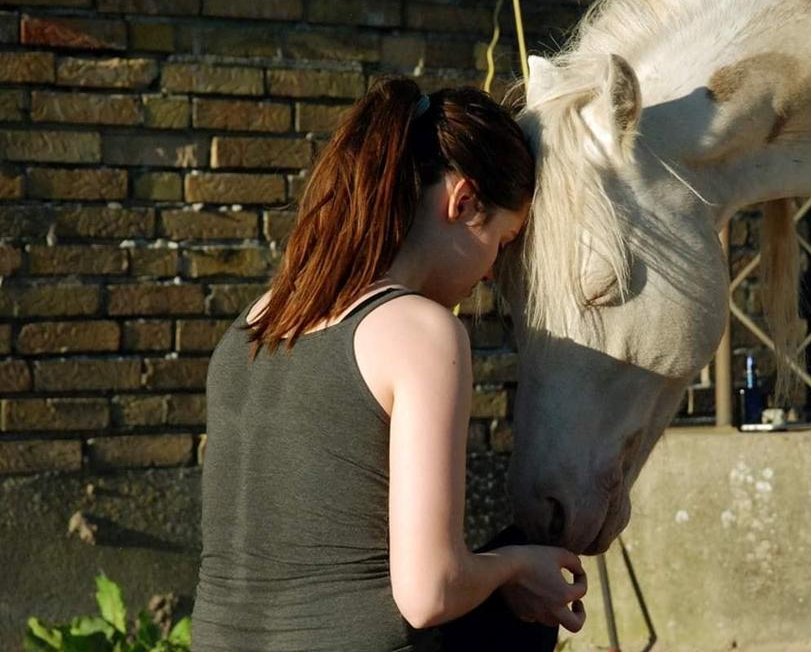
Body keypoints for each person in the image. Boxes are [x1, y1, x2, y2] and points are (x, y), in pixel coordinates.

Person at [192, 76, 587, 651]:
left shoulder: (253, 322)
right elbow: (430, 593)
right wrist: (516, 566)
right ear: (464, 200)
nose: (487, 275)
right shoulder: (422, 334)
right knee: (516, 573)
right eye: (502, 243)